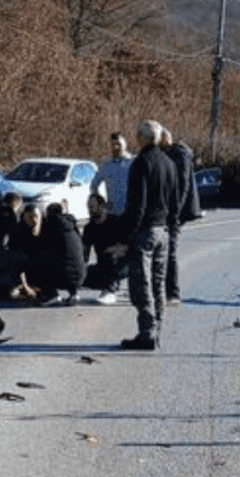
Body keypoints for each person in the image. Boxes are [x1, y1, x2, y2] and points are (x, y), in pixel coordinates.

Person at [117, 120, 180, 350]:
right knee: (158, 283)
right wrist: (172, 230)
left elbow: (137, 205)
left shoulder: (141, 163)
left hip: (145, 230)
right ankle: (157, 330)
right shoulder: (169, 163)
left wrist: (126, 236)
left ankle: (147, 333)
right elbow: (176, 203)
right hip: (163, 230)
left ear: (141, 138)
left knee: (140, 284)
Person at [158, 126, 200, 304]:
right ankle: (163, 290)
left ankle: (173, 292)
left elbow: (182, 186)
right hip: (167, 209)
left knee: (170, 253)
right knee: (164, 251)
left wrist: (175, 213)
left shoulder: (180, 155)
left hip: (175, 211)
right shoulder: (167, 153)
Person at [25, 201, 86, 305]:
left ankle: (52, 295)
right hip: (81, 275)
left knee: (33, 263)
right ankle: (74, 294)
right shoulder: (72, 226)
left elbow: (38, 248)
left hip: (62, 276)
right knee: (69, 261)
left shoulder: (51, 226)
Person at [80, 192, 126, 304]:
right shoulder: (89, 228)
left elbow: (126, 248)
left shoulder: (115, 222)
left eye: (92, 206)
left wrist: (111, 249)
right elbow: (84, 254)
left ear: (102, 206)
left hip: (122, 265)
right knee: (80, 274)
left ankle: (110, 291)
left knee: (112, 257)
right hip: (102, 267)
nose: (89, 210)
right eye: (88, 207)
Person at [95, 132, 134, 215]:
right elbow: (94, 186)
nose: (115, 147)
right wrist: (100, 204)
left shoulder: (133, 163)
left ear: (125, 144)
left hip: (130, 213)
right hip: (112, 213)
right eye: (113, 145)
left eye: (118, 144)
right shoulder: (105, 164)